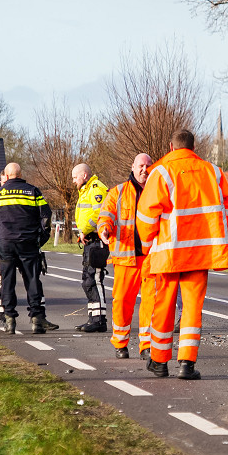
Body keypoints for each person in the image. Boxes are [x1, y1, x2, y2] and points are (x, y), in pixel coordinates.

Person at [136, 130, 228, 380]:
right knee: (192, 309)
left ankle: (159, 362)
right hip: (200, 254)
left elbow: (146, 214)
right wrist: (212, 238)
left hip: (168, 254)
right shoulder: (213, 172)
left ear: (171, 147)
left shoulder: (161, 171)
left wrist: (148, 244)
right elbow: (227, 207)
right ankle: (187, 365)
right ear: (193, 146)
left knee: (164, 307)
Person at [0, 163, 58, 335]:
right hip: (28, 242)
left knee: (7, 282)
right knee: (32, 280)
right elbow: (46, 214)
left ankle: (10, 320)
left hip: (4, 243)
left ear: (6, 177)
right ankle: (36, 319)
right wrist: (41, 238)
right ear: (20, 174)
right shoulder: (33, 191)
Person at [97, 153, 155, 359]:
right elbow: (106, 214)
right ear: (133, 167)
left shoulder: (158, 192)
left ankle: (147, 345)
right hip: (126, 258)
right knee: (122, 301)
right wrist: (104, 228)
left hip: (151, 258)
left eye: (148, 166)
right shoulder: (118, 192)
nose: (144, 169)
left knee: (151, 303)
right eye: (141, 165)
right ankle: (120, 343)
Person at [72, 163, 110, 332]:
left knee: (95, 279)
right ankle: (93, 318)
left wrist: (84, 231)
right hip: (90, 240)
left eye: (75, 177)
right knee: (88, 280)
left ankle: (100, 320)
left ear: (84, 175)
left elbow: (98, 214)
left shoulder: (96, 189)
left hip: (97, 240)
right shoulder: (86, 190)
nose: (73, 181)